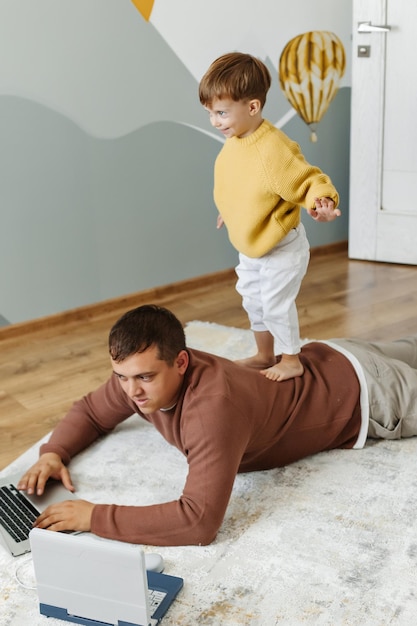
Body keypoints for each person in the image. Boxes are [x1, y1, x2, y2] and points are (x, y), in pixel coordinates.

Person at [18, 304, 417, 547]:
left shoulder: (213, 410)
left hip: (371, 396)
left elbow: (198, 521)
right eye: (121, 377)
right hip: (334, 354)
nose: (131, 391)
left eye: (144, 378)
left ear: (181, 361)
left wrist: (95, 518)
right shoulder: (139, 376)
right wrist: (54, 452)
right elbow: (90, 411)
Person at [199, 52, 342, 382]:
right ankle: (265, 354)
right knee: (254, 302)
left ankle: (291, 359)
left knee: (276, 304)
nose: (215, 122)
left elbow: (307, 178)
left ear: (252, 107)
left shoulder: (273, 148)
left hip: (281, 248)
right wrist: (230, 211)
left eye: (221, 112)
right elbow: (239, 184)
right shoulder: (235, 140)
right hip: (251, 246)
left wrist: (322, 200)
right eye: (210, 113)